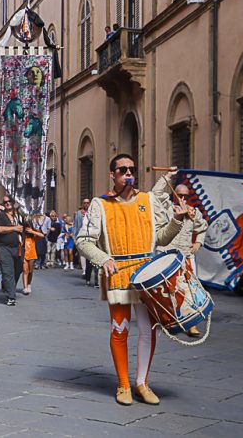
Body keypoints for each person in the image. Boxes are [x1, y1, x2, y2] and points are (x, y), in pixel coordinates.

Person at [76, 153, 190, 406]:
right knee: (120, 329)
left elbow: (160, 238)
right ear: (112, 175)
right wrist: (103, 258)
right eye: (122, 169)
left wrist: (178, 220)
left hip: (147, 275)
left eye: (131, 169)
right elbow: (83, 240)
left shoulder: (148, 200)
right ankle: (124, 384)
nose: (128, 173)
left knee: (149, 330)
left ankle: (142, 383)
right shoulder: (100, 204)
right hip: (117, 274)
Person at [152, 170, 208, 338]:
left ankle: (192, 324)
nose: (183, 198)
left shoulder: (193, 212)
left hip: (186, 256)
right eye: (180, 195)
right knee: (166, 290)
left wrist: (198, 241)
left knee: (191, 289)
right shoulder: (167, 207)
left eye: (186, 196)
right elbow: (156, 193)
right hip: (166, 255)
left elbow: (202, 226)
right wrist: (167, 177)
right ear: (175, 194)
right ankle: (168, 320)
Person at [0, 196, 24, 306]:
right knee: (8, 271)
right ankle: (11, 296)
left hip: (19, 248)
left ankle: (7, 286)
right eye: (5, 202)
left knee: (18, 270)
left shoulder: (19, 215)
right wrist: (14, 228)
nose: (7, 203)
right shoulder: (1, 215)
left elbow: (27, 226)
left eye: (9, 201)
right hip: (4, 248)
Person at [22, 218, 45, 295]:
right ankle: (25, 287)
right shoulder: (22, 235)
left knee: (30, 271)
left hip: (32, 254)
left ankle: (29, 284)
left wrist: (32, 231)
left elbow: (42, 235)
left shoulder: (33, 235)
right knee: (25, 271)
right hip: (24, 254)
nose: (27, 229)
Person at [74, 198, 91, 278]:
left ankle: (88, 269)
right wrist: (75, 236)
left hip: (91, 235)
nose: (86, 204)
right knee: (82, 253)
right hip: (81, 235)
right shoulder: (78, 213)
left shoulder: (93, 212)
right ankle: (84, 270)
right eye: (84, 203)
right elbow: (76, 225)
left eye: (87, 203)